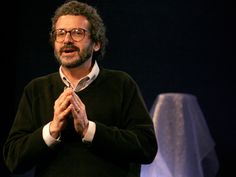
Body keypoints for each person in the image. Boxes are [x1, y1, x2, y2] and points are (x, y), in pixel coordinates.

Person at [3, 1, 158, 177]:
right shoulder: (36, 89)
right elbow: (13, 159)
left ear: (96, 43)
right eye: (60, 33)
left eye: (78, 33)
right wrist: (52, 130)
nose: (67, 40)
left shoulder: (122, 84)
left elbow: (146, 147)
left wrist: (88, 129)